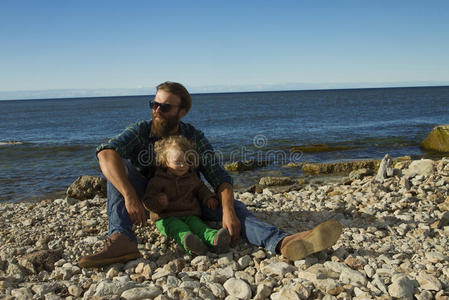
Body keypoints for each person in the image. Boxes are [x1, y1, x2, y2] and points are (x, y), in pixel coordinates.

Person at [78, 81, 342, 268]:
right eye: (154, 104)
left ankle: (282, 242)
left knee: (236, 212)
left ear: (181, 112)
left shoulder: (193, 137)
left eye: (165, 107)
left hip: (189, 200)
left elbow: (219, 177)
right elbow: (105, 152)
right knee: (117, 165)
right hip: (148, 201)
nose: (156, 110)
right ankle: (122, 239)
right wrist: (130, 197)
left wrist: (227, 210)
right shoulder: (140, 130)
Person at [142, 135, 231, 255]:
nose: (183, 165)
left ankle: (216, 239)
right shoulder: (158, 180)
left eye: (186, 162)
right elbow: (147, 199)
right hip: (166, 217)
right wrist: (158, 202)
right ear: (165, 162)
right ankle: (192, 245)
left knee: (200, 227)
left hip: (189, 213)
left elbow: (201, 188)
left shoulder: (191, 177)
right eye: (178, 162)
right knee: (179, 229)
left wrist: (209, 197)